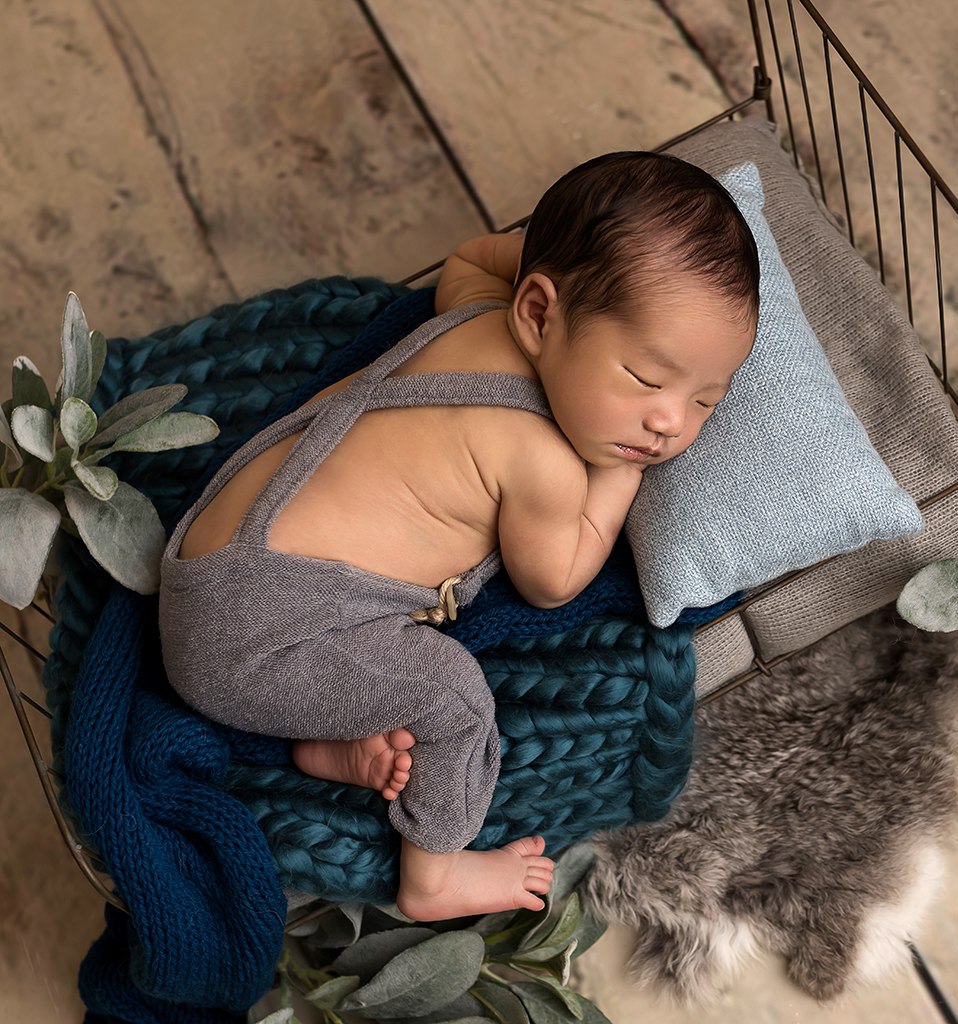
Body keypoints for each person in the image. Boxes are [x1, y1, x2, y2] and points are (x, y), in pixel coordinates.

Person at [159, 151, 760, 922]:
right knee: (455, 700)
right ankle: (432, 880)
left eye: (707, 400)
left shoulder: (475, 312)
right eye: (648, 379)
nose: (671, 421)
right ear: (539, 313)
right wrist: (618, 480)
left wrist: (571, 266)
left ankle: (332, 745)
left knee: (381, 667)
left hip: (208, 563)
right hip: (255, 640)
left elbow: (474, 255)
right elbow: (556, 577)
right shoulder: (543, 463)